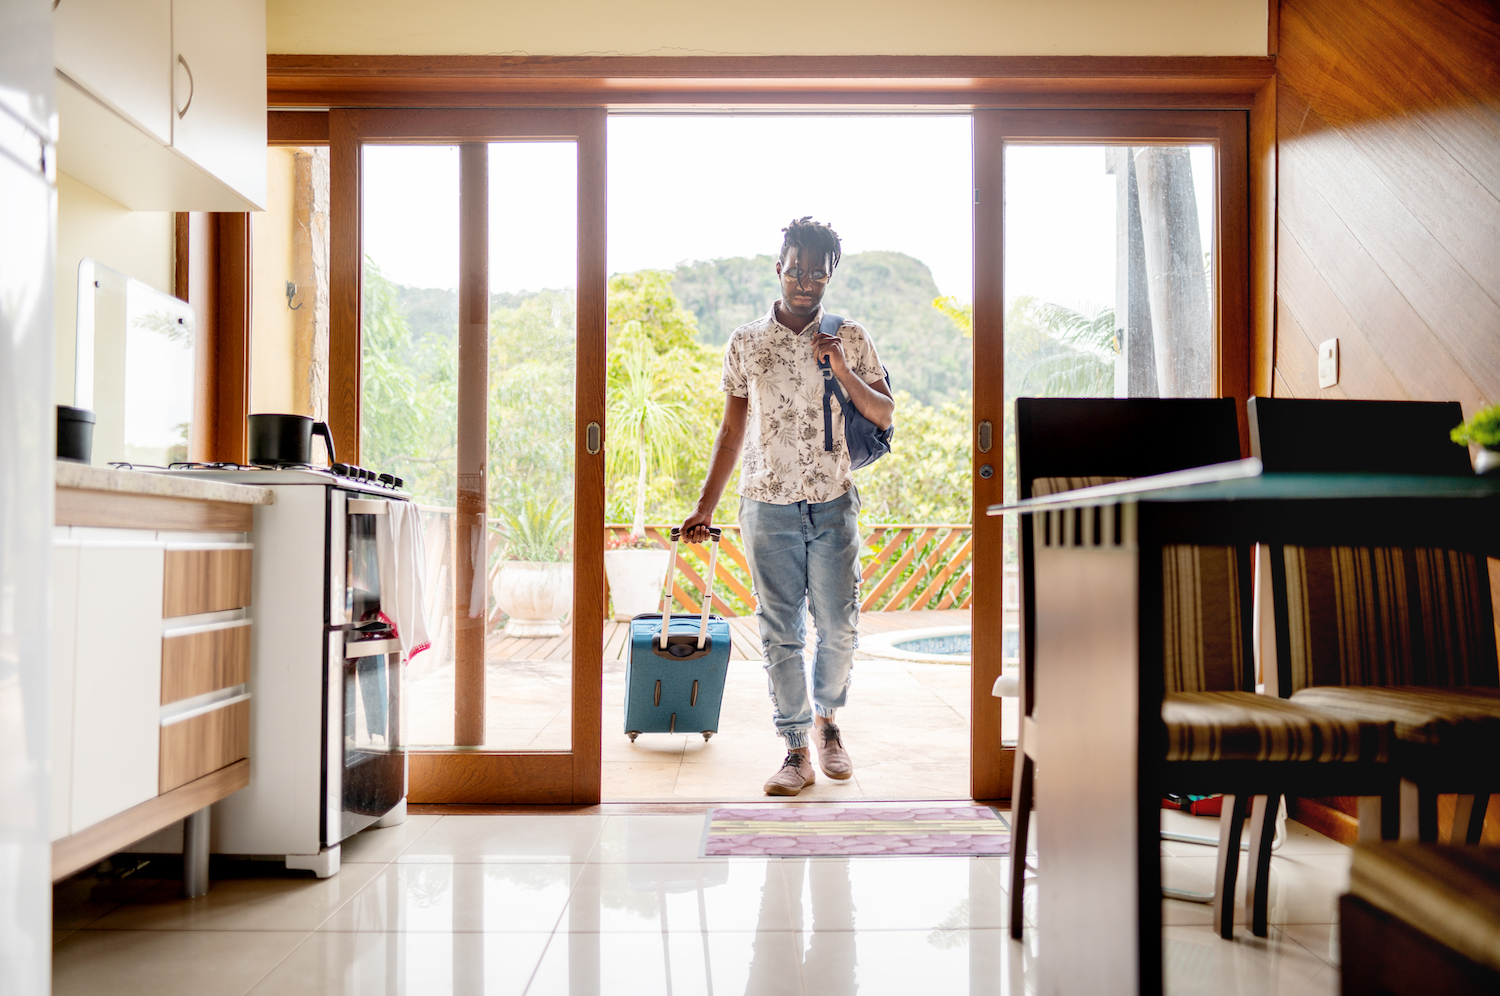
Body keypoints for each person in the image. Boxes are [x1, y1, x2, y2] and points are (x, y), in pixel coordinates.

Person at [681, 217, 894, 796]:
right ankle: (796, 749)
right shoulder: (746, 342)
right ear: (779, 269)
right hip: (765, 505)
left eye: (815, 273)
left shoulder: (849, 334)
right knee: (780, 634)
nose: (803, 281)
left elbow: (883, 415)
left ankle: (828, 723)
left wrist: (842, 368)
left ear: (830, 275)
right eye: (794, 269)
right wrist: (705, 506)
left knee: (839, 628)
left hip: (832, 503)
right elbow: (731, 431)